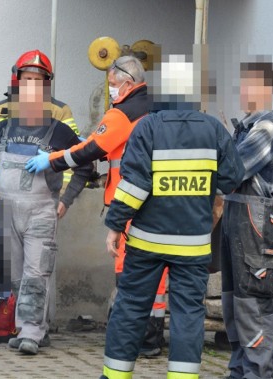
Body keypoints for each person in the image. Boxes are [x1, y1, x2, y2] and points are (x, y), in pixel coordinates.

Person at [98, 78, 245, 379]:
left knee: (131, 311)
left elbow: (134, 185)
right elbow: (231, 179)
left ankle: (114, 376)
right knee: (188, 315)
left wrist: (115, 224)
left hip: (146, 244)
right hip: (193, 245)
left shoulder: (147, 127)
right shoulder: (214, 129)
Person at [25, 55, 169, 356]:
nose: (111, 90)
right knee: (156, 277)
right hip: (160, 202)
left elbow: (89, 151)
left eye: (113, 85)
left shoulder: (121, 114)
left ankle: (134, 339)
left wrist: (50, 160)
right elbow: (115, 149)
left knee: (128, 271)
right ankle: (152, 338)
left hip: (131, 204)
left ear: (128, 83)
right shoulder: (156, 109)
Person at [0, 71, 92, 356]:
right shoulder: (3, 128)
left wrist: (67, 199)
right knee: (11, 276)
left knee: (37, 272)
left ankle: (31, 334)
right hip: (4, 208)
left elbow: (85, 164)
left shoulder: (60, 131)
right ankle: (25, 327)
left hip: (41, 210)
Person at [221, 60, 273, 379]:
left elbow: (231, 171)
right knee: (243, 302)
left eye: (249, 84)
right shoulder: (252, 127)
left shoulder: (266, 129)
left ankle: (258, 373)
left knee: (255, 304)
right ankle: (251, 370)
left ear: (266, 89)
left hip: (257, 228)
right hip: (250, 225)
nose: (243, 90)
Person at [0, 49, 80, 194]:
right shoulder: (3, 109)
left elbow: (71, 155)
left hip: (42, 201)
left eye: (38, 80)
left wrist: (62, 198)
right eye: (27, 79)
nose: (32, 85)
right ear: (17, 79)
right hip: (4, 196)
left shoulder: (59, 111)